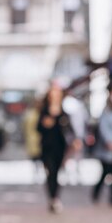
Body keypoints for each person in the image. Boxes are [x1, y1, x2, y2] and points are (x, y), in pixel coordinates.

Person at [36, 81, 79, 213]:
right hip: (47, 147)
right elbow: (37, 128)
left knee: (57, 173)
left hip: (60, 147)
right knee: (51, 172)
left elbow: (69, 129)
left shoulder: (63, 111)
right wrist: (45, 125)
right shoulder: (43, 110)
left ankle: (55, 197)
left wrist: (75, 140)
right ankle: (52, 198)